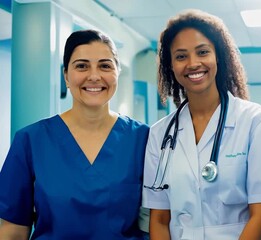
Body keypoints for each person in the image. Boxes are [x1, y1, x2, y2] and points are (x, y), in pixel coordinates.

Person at [142, 9, 261, 240]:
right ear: (170, 65)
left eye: (202, 52)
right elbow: (159, 219)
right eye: (180, 56)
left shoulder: (255, 121)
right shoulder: (159, 134)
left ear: (218, 56)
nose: (193, 63)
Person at [0, 29, 149, 239]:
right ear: (66, 76)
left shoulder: (143, 139)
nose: (94, 76)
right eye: (82, 66)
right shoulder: (31, 141)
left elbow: (156, 220)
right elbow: (13, 230)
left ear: (117, 72)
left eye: (105, 66)